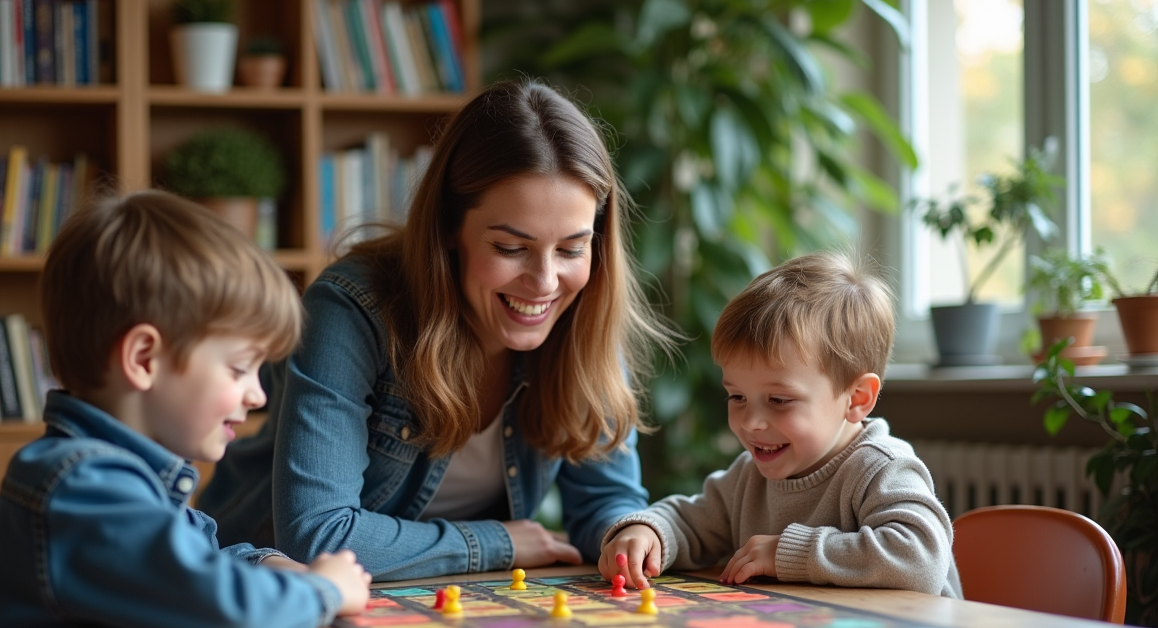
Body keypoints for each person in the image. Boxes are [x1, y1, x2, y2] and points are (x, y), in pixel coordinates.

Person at [198, 80, 674, 579]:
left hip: (442, 599)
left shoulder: (579, 312)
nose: (546, 282)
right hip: (263, 587)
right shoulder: (351, 308)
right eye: (511, 248)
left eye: (572, 248)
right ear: (449, 227)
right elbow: (319, 535)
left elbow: (604, 499)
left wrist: (629, 531)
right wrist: (495, 543)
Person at [0, 191, 372, 628]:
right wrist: (324, 590)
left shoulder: (125, 479)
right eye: (239, 368)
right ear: (144, 359)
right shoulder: (82, 487)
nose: (256, 396)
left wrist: (268, 562)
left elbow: (192, 562)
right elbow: (220, 606)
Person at [599, 251, 962, 598]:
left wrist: (788, 553)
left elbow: (922, 559)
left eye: (779, 400)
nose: (752, 422)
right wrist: (648, 531)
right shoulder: (749, 478)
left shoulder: (881, 467)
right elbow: (689, 521)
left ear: (857, 398)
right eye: (737, 397)